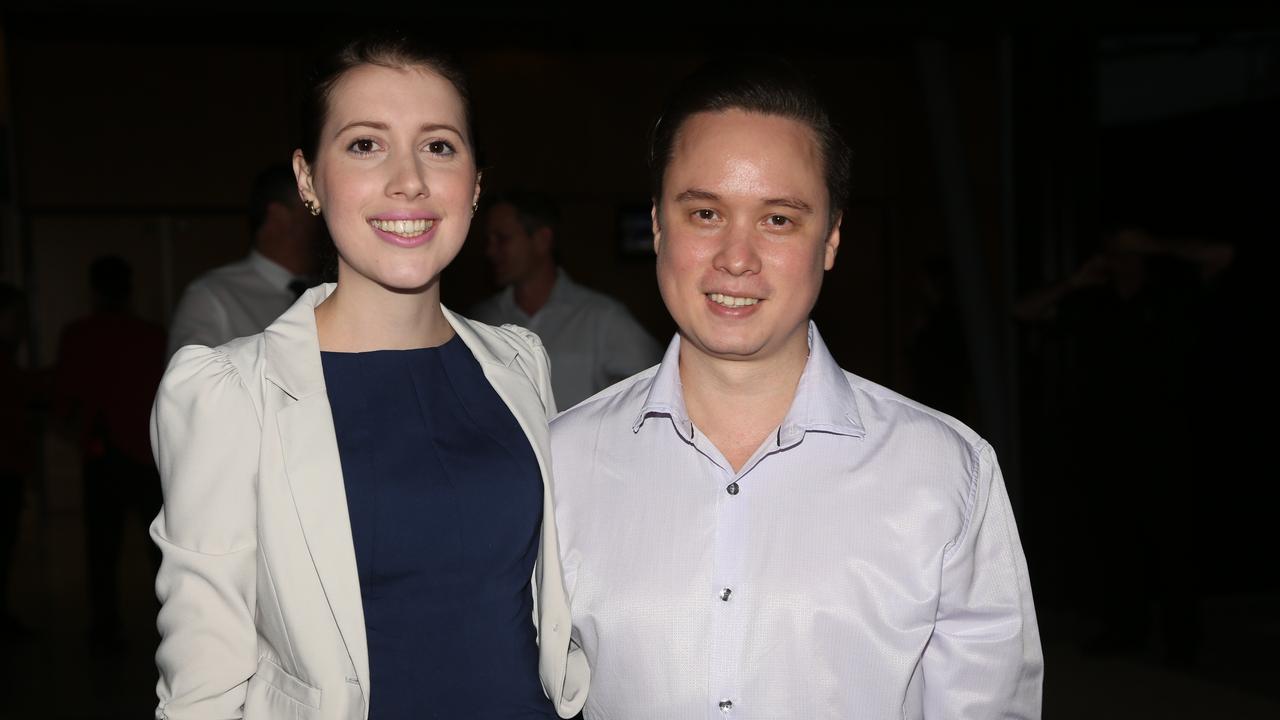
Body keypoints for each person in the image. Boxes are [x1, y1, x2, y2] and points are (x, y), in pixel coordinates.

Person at [550, 58, 1042, 718]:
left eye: (778, 219)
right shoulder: (559, 461)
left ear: (832, 238)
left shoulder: (946, 471)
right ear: (660, 226)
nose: (737, 257)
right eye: (704, 213)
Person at [150, 35, 587, 719]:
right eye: (364, 145)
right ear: (306, 179)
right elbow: (203, 686)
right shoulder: (231, 393)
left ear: (474, 183)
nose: (408, 179)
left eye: (439, 146)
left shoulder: (518, 364)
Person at [54, 256, 166, 652]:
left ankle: (104, 627)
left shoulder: (79, 335)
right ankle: (172, 625)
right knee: (160, 549)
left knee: (102, 549)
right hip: (149, 454)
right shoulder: (152, 335)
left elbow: (66, 395)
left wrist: (75, 431)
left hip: (104, 454)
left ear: (95, 290)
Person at [470, 191, 662, 408]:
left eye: (502, 239)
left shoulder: (601, 317)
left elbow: (659, 383)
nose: (490, 251)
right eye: (488, 240)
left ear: (542, 240)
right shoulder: (481, 319)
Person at [166, 163, 324, 358]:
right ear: (279, 216)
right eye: (312, 208)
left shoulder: (328, 292)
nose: (324, 219)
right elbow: (190, 385)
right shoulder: (211, 296)